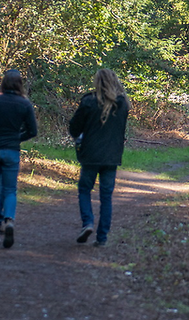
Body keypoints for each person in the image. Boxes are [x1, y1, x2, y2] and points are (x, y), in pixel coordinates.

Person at [69, 68, 131, 247]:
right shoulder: (123, 104)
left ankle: (87, 222)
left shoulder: (88, 101)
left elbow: (74, 128)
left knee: (84, 190)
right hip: (112, 156)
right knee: (106, 197)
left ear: (97, 82)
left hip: (90, 155)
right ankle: (102, 237)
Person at [0, 69, 38, 248]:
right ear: (20, 84)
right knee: (10, 190)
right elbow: (32, 131)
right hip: (11, 151)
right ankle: (9, 220)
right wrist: (16, 138)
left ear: (4, 83)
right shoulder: (24, 104)